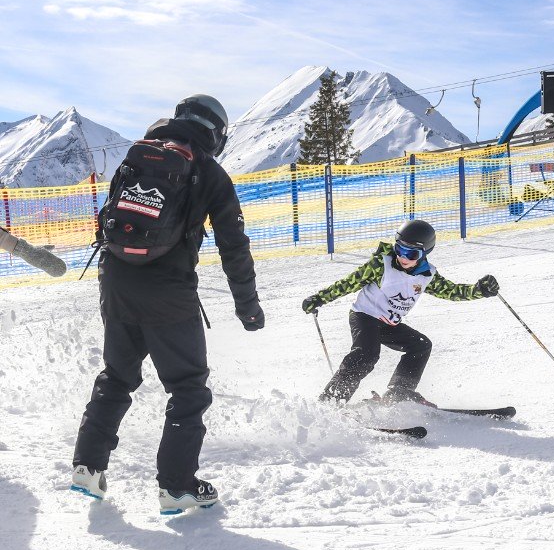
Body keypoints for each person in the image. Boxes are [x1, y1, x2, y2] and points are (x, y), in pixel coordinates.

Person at [71, 94, 264, 514]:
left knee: (117, 376)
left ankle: (87, 467)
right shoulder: (210, 173)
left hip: (116, 281)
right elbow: (235, 246)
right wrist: (247, 306)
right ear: (217, 133)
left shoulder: (137, 157)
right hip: (169, 291)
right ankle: (177, 487)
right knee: (188, 388)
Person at [302, 219, 499, 406]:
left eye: (411, 254)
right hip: (365, 315)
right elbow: (348, 283)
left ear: (424, 253)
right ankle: (331, 400)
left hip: (388, 323)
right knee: (367, 354)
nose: (403, 257)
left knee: (420, 346)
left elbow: (453, 291)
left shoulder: (427, 275)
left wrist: (479, 290)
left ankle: (399, 391)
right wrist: (319, 298)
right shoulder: (382, 264)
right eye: (400, 249)